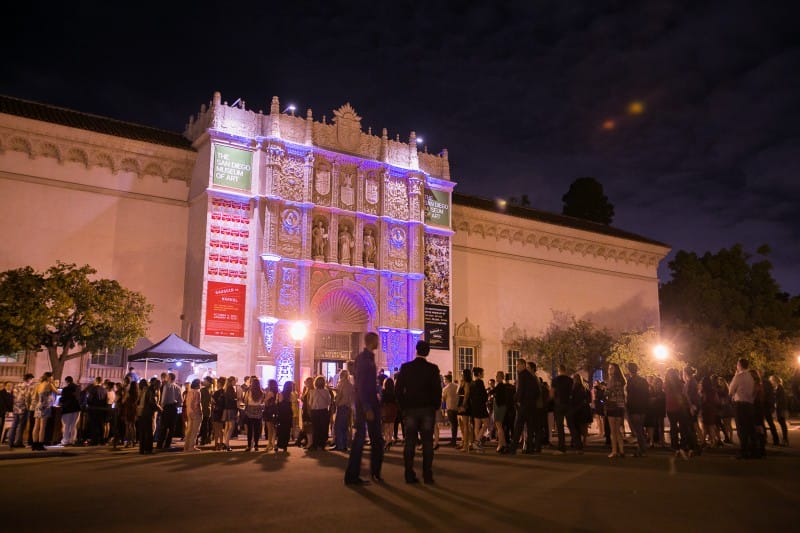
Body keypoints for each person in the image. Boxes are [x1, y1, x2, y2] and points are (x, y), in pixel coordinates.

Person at [395, 340, 441, 484]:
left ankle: (409, 474)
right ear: (427, 352)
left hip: (410, 409)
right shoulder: (433, 369)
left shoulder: (406, 367)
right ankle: (427, 475)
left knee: (410, 442)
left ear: (416, 350)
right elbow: (437, 390)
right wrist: (435, 406)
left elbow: (398, 389)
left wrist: (403, 407)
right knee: (427, 442)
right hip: (427, 409)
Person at [344, 332, 384, 485]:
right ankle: (354, 475)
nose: (379, 342)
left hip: (368, 403)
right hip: (366, 405)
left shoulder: (367, 358)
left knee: (371, 440)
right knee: (364, 440)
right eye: (377, 340)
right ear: (372, 341)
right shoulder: (364, 359)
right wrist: (367, 407)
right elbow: (361, 385)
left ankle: (373, 472)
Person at [509, 358, 539, 455]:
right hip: (531, 405)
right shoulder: (531, 376)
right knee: (530, 427)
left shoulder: (522, 375)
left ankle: (513, 448)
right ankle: (530, 448)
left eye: (518, 365)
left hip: (524, 405)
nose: (516, 367)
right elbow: (537, 391)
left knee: (518, 427)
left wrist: (516, 400)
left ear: (523, 365)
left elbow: (520, 390)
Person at [729, 358, 755, 459]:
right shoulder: (750, 377)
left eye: (737, 364)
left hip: (740, 404)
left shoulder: (739, 376)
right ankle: (751, 450)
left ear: (739, 365)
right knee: (748, 428)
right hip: (749, 404)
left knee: (741, 428)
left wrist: (735, 375)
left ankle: (743, 451)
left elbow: (731, 390)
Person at [625, 362, 650, 457]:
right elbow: (647, 394)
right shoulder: (643, 380)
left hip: (634, 407)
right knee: (640, 428)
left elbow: (630, 395)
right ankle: (642, 447)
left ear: (629, 370)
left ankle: (642, 449)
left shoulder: (630, 381)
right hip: (642, 407)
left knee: (638, 430)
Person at [31, 372, 57, 450]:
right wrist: (53, 383)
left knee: (36, 426)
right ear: (49, 377)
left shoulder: (38, 385)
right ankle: (40, 444)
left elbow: (34, 397)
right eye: (51, 377)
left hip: (38, 406)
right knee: (42, 427)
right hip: (45, 406)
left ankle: (34, 444)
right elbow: (57, 392)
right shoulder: (49, 384)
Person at [551, 364, 573, 454]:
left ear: (558, 371)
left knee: (560, 427)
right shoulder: (570, 380)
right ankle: (578, 446)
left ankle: (561, 447)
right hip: (568, 404)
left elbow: (552, 393)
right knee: (571, 425)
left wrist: (551, 401)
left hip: (559, 405)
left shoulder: (555, 380)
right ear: (565, 370)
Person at [605, 363, 626, 458]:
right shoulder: (622, 381)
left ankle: (614, 451)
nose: (609, 370)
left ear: (615, 370)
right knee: (618, 430)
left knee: (613, 431)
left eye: (611, 368)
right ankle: (621, 450)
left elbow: (608, 393)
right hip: (620, 406)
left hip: (612, 406)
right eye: (609, 368)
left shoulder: (612, 380)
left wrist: (605, 392)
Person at [157, 372, 182, 449]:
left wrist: (162, 407)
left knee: (164, 427)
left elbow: (164, 399)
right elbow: (180, 400)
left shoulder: (166, 386)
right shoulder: (178, 387)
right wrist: (176, 407)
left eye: (167, 377)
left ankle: (160, 444)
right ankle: (167, 444)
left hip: (167, 408)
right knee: (172, 428)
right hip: (174, 408)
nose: (166, 378)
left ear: (170, 378)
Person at [136, 379, 160, 454]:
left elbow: (138, 402)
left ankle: (142, 449)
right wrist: (159, 409)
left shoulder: (142, 391)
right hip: (147, 413)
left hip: (141, 413)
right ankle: (148, 449)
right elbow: (152, 402)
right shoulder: (150, 391)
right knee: (149, 432)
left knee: (142, 432)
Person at [308, 376, 331, 451]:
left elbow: (310, 403)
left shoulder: (312, 391)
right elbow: (329, 402)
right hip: (324, 411)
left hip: (315, 411)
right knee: (323, 428)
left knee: (315, 428)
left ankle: (315, 444)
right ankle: (322, 444)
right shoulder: (326, 391)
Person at [333, 369, 354, 451]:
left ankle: (339, 445)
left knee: (338, 426)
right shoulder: (350, 385)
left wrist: (336, 401)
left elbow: (340, 395)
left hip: (342, 406)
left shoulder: (342, 384)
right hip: (348, 407)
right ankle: (344, 445)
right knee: (345, 427)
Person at [469, 367, 490, 451]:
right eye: (482, 373)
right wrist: (486, 396)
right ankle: (477, 441)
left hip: (474, 406)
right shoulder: (480, 382)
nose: (483, 374)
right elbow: (483, 395)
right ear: (479, 374)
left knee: (477, 425)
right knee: (486, 423)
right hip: (481, 406)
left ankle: (477, 444)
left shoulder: (472, 383)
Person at [242, 378, 264, 452]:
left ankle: (249, 446)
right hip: (258, 411)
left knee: (250, 430)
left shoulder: (249, 392)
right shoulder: (261, 393)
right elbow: (262, 402)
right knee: (257, 429)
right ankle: (256, 445)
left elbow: (245, 401)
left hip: (249, 411)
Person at [58, 376, 81, 446]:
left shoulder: (66, 389)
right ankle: (72, 440)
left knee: (66, 425)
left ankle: (65, 440)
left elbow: (63, 398)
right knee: (74, 425)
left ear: (66, 381)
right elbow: (79, 398)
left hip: (67, 409)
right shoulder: (78, 388)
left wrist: (60, 402)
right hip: (76, 408)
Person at [492, 371, 511, 453]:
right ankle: (503, 444)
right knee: (499, 426)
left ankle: (501, 444)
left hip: (499, 407)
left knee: (499, 426)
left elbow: (492, 392)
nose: (496, 377)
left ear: (501, 377)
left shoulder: (500, 385)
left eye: (497, 376)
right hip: (500, 407)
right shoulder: (501, 386)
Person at [457, 368, 473, 452]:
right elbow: (457, 392)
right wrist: (460, 383)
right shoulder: (462, 383)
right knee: (461, 424)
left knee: (465, 424)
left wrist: (463, 405)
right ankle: (464, 442)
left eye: (462, 374)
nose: (461, 375)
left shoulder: (467, 383)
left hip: (464, 404)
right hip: (460, 403)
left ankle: (466, 445)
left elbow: (466, 394)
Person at [769, 375, 789, 446]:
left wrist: (775, 404)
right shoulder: (778, 387)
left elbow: (780, 399)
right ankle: (785, 439)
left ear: (775, 380)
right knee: (782, 423)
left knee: (782, 423)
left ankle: (785, 439)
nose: (771, 382)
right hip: (781, 408)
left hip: (781, 408)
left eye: (771, 380)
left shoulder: (780, 388)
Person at [275, 381, 294, 452]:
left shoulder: (281, 394)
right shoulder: (291, 395)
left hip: (282, 414)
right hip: (288, 414)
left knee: (280, 430)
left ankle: (279, 444)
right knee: (287, 430)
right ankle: (285, 445)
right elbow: (291, 404)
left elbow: (279, 403)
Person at [184, 379, 202, 452]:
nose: (201, 385)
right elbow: (198, 403)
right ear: (197, 385)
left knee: (189, 430)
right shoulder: (197, 392)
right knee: (195, 430)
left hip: (189, 412)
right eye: (200, 384)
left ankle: (186, 446)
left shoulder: (189, 392)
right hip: (196, 412)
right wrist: (201, 412)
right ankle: (191, 446)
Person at [380, 377, 399, 450]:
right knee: (391, 425)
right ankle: (390, 439)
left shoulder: (383, 392)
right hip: (393, 410)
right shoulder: (394, 392)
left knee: (385, 426)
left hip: (385, 410)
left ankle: (387, 440)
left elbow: (381, 401)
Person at [442, 374, 459, 446]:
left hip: (450, 408)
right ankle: (455, 439)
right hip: (457, 407)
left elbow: (443, 399)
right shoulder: (457, 386)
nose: (443, 381)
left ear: (447, 380)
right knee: (456, 424)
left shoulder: (445, 388)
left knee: (452, 424)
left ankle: (453, 441)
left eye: (444, 379)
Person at [222, 376, 238, 451]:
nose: (235, 382)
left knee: (227, 427)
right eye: (234, 381)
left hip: (226, 409)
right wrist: (236, 399)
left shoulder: (226, 388)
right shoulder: (231, 388)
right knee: (231, 427)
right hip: (231, 409)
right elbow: (232, 399)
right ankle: (227, 444)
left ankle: (225, 442)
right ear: (232, 381)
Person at [211, 377, 226, 451]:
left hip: (216, 412)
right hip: (222, 412)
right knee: (221, 429)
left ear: (219, 383)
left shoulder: (216, 393)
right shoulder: (225, 392)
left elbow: (213, 402)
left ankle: (216, 444)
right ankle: (221, 443)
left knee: (216, 429)